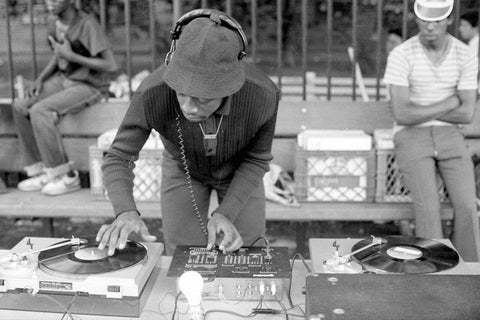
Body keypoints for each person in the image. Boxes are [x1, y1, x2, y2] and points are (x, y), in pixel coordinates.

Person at [95, 9, 280, 256]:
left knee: (247, 254)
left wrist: (226, 212)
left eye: (203, 99)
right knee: (183, 258)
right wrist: (125, 210)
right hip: (182, 169)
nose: (189, 108)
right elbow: (118, 156)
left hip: (241, 171)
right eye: (181, 93)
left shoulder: (263, 95)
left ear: (229, 86)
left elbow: (257, 160)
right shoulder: (153, 91)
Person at [384, 0, 480, 262]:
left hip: (451, 136)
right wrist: (450, 101)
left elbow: (467, 112)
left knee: (468, 207)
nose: (430, 25)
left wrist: (422, 108)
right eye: (425, 19)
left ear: (449, 20)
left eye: (438, 19)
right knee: (428, 208)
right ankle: (435, 272)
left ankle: (470, 272)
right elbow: (402, 114)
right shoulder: (401, 54)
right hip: (410, 136)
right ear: (416, 20)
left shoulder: (466, 54)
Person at [12, 0, 117, 196]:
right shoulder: (53, 21)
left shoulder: (87, 24)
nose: (50, 2)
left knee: (40, 110)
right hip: (64, 79)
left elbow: (111, 65)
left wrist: (71, 56)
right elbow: (59, 54)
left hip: (89, 84)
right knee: (20, 106)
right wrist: (40, 79)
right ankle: (41, 170)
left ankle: (66, 176)